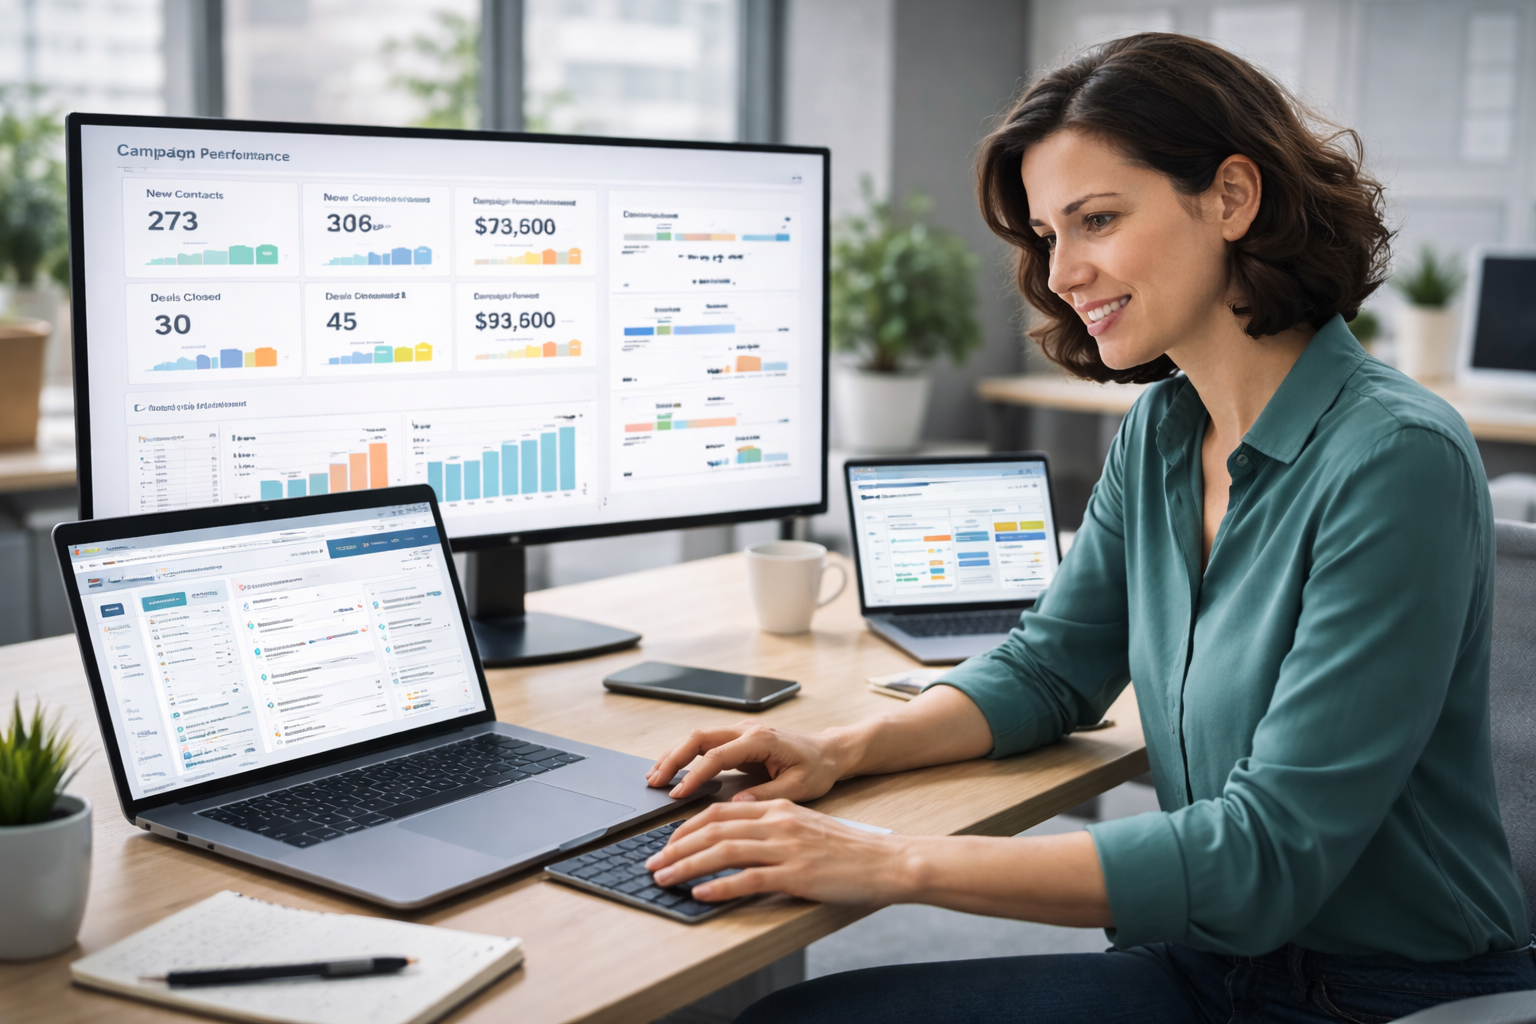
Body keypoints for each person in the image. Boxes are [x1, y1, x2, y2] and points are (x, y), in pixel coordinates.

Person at [639, 32, 1536, 1024]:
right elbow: (1051, 669)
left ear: (1234, 198)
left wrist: (888, 862)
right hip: (1202, 962)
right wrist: (843, 748)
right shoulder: (1162, 426)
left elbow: (1264, 856)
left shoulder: (1395, 457)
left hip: (1374, 992)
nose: (1063, 271)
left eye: (1097, 219)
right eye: (1046, 235)